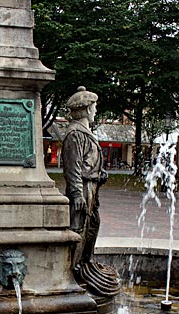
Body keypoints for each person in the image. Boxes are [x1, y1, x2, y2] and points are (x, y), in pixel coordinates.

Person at [61, 86, 119, 298]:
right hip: (83, 188)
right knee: (78, 228)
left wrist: (100, 174)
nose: (95, 111)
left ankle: (86, 262)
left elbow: (89, 162)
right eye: (93, 107)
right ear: (85, 109)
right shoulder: (75, 134)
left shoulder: (85, 133)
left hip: (93, 187)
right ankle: (72, 270)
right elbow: (72, 168)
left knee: (93, 224)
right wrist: (76, 194)